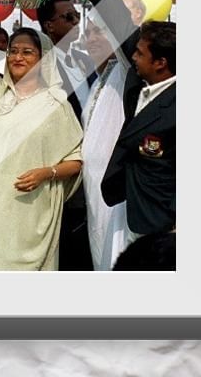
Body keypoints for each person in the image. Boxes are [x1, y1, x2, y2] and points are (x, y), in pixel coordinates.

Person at [0, 0, 83, 270]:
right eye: (13, 51)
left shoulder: (55, 103)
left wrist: (45, 173)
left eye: (27, 52)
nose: (17, 57)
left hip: (34, 215)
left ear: (42, 59)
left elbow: (75, 161)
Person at [65, 0, 176, 250]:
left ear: (160, 63)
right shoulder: (135, 83)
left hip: (156, 222)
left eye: (140, 53)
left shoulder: (179, 104)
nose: (132, 56)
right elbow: (123, 28)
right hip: (120, 209)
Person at [36, 0, 94, 271]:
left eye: (77, 16)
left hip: (91, 171)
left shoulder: (85, 59)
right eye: (68, 17)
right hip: (62, 178)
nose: (75, 22)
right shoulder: (41, 70)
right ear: (49, 26)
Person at [78, 15, 131, 270]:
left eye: (100, 31)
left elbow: (125, 36)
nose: (92, 39)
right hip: (93, 199)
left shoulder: (124, 75)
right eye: (88, 33)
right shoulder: (99, 79)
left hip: (116, 203)